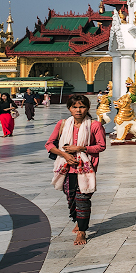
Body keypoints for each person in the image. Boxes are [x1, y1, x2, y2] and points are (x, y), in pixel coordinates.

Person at [45, 95, 106, 246]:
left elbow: (101, 146)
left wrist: (81, 148)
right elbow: (49, 144)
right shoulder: (63, 124)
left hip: (85, 169)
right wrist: (65, 154)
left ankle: (82, 231)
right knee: (71, 197)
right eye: (74, 107)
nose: (78, 110)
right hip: (66, 169)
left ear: (87, 108)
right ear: (69, 108)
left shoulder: (94, 125)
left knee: (83, 199)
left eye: (82, 107)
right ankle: (78, 220)